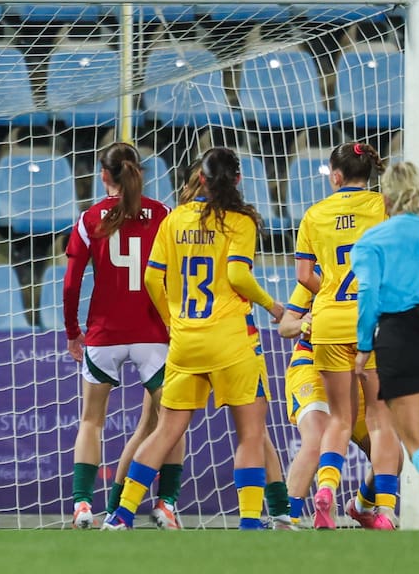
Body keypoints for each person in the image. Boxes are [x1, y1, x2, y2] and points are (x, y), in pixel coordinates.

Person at [103, 147, 285, 530]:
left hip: (186, 339)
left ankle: (120, 516)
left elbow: (153, 278)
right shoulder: (241, 221)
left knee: (166, 430)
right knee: (251, 433)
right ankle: (251, 522)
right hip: (231, 340)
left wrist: (173, 321)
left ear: (199, 179)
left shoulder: (176, 218)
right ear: (237, 181)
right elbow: (237, 276)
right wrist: (273, 306)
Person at [62, 142, 184, 530]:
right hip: (153, 334)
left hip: (104, 334)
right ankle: (165, 504)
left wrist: (72, 332)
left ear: (104, 176)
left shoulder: (89, 219)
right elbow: (175, 274)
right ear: (139, 173)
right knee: (171, 420)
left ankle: (83, 505)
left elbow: (70, 284)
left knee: (91, 421)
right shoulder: (163, 215)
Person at [295, 142, 400, 530]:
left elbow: (304, 278)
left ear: (335, 177)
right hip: (374, 321)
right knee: (380, 419)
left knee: (339, 419)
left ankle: (326, 490)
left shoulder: (314, 214)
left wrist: (333, 288)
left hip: (329, 323)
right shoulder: (384, 207)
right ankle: (385, 510)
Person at [352, 160, 419, 498]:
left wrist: (364, 345)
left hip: (401, 337)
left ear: (386, 198)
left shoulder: (372, 241)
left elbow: (368, 292)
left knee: (417, 443)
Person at [278, 283, 373, 528]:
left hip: (357, 371)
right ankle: (286, 521)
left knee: (387, 453)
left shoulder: (371, 273)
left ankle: (361, 507)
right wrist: (303, 323)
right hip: (311, 364)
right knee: (316, 438)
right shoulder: (315, 278)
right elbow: (285, 326)